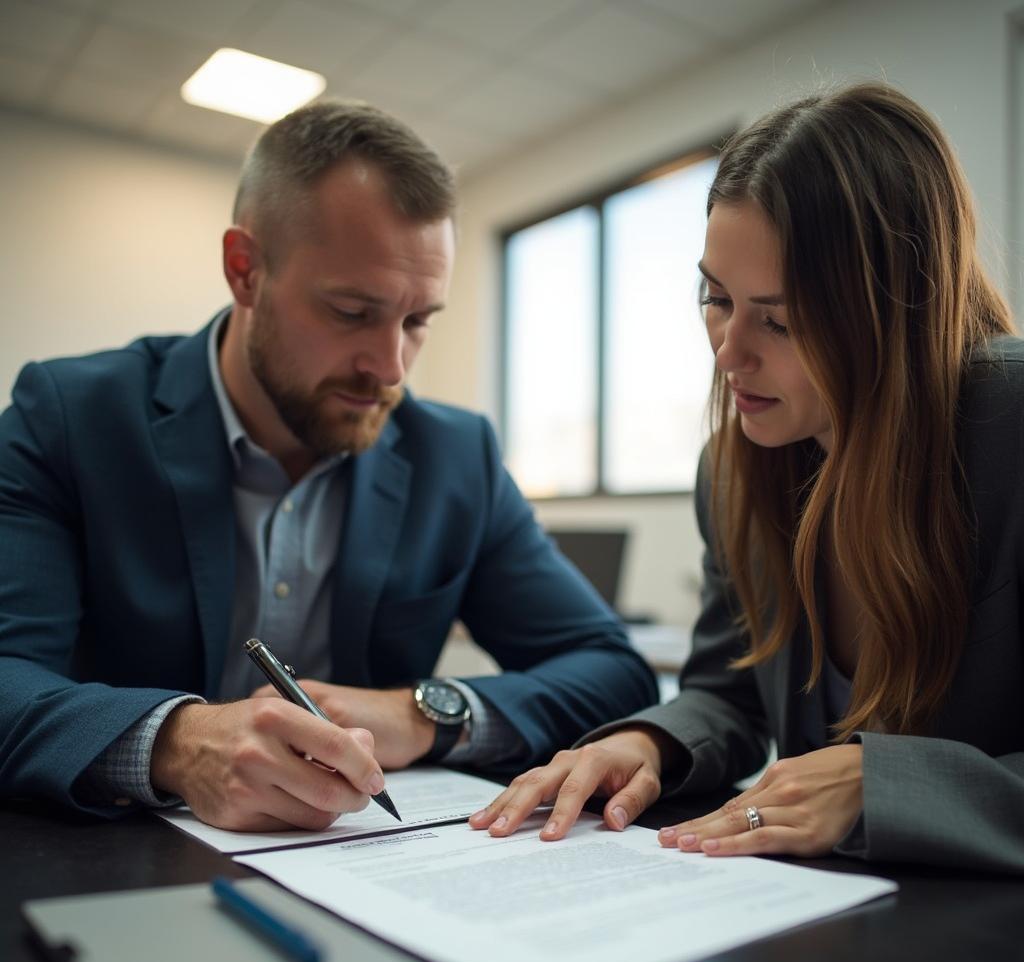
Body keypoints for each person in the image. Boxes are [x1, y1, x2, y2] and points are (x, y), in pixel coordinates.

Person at [0, 101, 657, 831]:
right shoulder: (71, 416)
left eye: (417, 321)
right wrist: (175, 742)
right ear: (245, 271)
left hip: (358, 868)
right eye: (352, 311)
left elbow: (610, 667)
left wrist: (424, 711)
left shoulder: (455, 456)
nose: (389, 367)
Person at [469, 82, 1024, 873]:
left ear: (896, 306)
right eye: (716, 298)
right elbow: (729, 692)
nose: (728, 353)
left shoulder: (1012, 421)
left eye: (782, 319)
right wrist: (649, 740)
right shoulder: (734, 472)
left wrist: (886, 784)